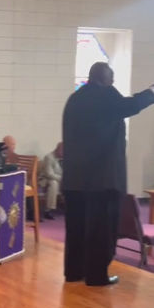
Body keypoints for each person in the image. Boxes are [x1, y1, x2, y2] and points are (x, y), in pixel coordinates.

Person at [62, 61, 154, 286]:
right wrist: (152, 92)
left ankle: (74, 272)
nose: (113, 81)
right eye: (111, 77)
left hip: (75, 179)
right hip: (101, 180)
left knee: (76, 228)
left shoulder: (75, 98)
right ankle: (96, 276)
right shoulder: (104, 95)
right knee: (100, 229)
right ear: (103, 79)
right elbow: (131, 105)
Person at [39, 142, 63, 220]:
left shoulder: (65, 158)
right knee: (53, 183)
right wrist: (63, 179)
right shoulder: (49, 157)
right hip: (45, 179)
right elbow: (49, 174)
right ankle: (48, 210)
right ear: (58, 149)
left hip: (59, 179)